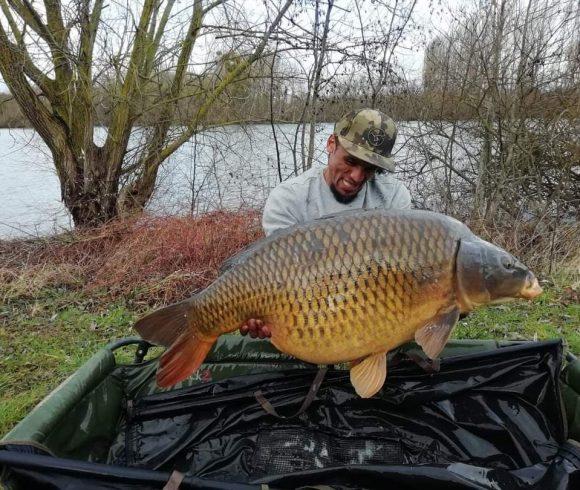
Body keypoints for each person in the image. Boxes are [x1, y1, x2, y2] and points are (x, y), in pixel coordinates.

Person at [240, 108, 411, 339]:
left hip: (370, 312)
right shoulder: (288, 198)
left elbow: (397, 273)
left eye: (370, 168)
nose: (357, 176)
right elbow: (280, 278)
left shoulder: (393, 197)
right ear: (331, 144)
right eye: (350, 161)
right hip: (307, 311)